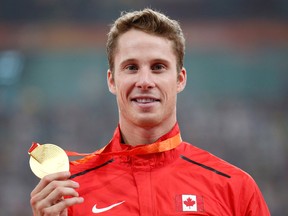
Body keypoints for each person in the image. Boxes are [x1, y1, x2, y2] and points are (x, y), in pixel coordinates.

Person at [30, 8, 270, 216]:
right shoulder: (68, 192)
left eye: (158, 67)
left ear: (180, 79)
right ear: (112, 81)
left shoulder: (234, 188)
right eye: (131, 67)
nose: (145, 81)